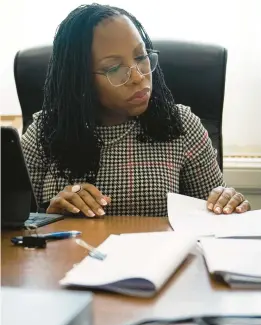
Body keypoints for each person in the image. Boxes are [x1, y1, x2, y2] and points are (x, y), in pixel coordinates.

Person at [22, 3, 250, 218]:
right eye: (114, 68)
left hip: (161, 258)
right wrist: (48, 218)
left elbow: (215, 218)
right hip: (74, 258)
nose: (139, 77)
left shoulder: (181, 125)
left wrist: (227, 203)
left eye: (141, 57)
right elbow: (12, 228)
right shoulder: (44, 132)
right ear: (79, 79)